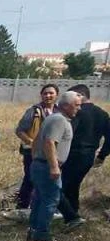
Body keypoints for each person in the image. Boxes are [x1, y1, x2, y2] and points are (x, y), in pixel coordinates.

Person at [27, 91, 82, 241]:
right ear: (66, 105)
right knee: (50, 200)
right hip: (47, 166)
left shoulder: (53, 118)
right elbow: (49, 142)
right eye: (76, 105)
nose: (79, 108)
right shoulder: (59, 120)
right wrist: (53, 166)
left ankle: (34, 230)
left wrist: (36, 158)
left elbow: (36, 141)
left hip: (41, 164)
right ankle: (41, 233)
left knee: (40, 199)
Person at [56, 84, 110, 229]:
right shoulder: (102, 114)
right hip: (88, 156)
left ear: (80, 95)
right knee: (73, 186)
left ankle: (71, 216)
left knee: (61, 186)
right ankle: (72, 214)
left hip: (73, 153)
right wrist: (102, 155)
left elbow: (67, 134)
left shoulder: (76, 112)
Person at [13, 84, 59, 211]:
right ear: (41, 95)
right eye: (45, 93)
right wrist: (32, 142)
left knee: (49, 180)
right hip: (32, 152)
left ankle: (42, 206)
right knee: (30, 178)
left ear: (57, 95)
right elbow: (20, 130)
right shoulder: (34, 111)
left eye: (51, 93)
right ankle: (22, 206)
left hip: (53, 152)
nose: (48, 96)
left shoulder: (59, 111)